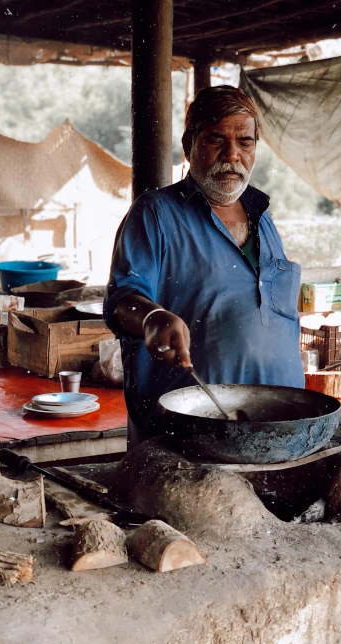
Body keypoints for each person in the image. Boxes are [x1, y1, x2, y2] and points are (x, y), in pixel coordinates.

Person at [104, 85, 303, 443]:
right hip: (190, 430)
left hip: (278, 427)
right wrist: (151, 317)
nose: (232, 155)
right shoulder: (156, 213)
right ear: (188, 145)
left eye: (245, 142)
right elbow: (122, 299)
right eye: (216, 140)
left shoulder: (263, 218)